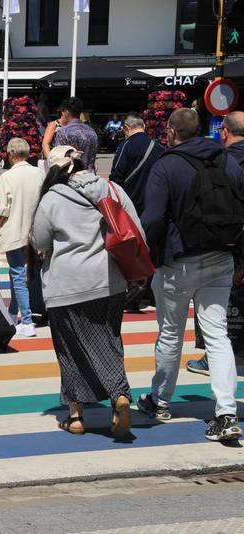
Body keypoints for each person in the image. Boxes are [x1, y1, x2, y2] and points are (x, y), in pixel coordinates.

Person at [138, 108, 243, 442]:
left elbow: (153, 218)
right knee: (218, 335)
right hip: (222, 257)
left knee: (170, 332)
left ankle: (160, 401)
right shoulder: (228, 162)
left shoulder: (166, 165)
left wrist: (144, 257)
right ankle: (226, 413)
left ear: (171, 132)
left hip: (178, 262)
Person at [30, 145, 142, 438]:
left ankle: (78, 416)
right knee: (109, 340)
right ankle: (118, 399)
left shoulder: (52, 198)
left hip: (67, 284)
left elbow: (39, 241)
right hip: (110, 280)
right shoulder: (111, 189)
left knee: (69, 348)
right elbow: (136, 229)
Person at [187, 110, 244, 375]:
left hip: (224, 245)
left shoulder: (221, 161)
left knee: (218, 310)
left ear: (224, 132)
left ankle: (213, 358)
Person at [0, 138, 43, 337]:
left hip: (15, 232)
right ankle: (12, 314)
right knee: (19, 274)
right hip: (35, 232)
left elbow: (2, 210)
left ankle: (26, 321)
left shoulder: (7, 177)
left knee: (17, 274)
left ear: (11, 154)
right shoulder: (39, 173)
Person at [109, 112, 163, 215]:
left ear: (126, 127)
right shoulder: (157, 147)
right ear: (144, 126)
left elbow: (116, 177)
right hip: (152, 204)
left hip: (130, 204)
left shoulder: (125, 146)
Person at [54, 97, 99, 172]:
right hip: (88, 175)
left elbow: (59, 158)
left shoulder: (63, 132)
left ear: (67, 111)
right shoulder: (92, 132)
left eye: (63, 110)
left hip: (70, 176)